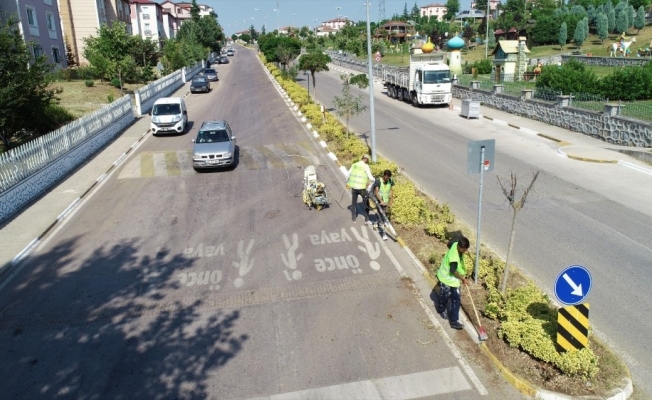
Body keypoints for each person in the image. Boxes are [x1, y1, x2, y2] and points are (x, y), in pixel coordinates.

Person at [435, 236, 471, 330]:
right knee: (446, 296)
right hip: (447, 278)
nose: (465, 251)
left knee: (455, 298)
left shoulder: (455, 243)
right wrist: (463, 279)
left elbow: (448, 243)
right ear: (459, 247)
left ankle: (453, 321)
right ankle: (442, 311)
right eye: (464, 250)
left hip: (453, 279)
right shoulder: (454, 257)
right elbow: (453, 271)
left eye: (466, 249)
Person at [365, 169, 395, 240]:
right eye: (387, 177)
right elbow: (376, 192)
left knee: (384, 216)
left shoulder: (390, 181)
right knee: (381, 218)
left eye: (389, 178)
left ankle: (376, 224)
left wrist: (391, 200)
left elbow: (391, 190)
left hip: (386, 202)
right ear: (384, 175)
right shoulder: (378, 181)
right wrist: (381, 201)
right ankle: (383, 234)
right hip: (379, 202)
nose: (387, 179)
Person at [346, 154, 374, 223]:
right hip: (362, 189)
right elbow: (370, 177)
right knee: (366, 203)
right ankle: (366, 219)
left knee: (354, 203)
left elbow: (348, 174)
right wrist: (375, 180)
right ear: (366, 159)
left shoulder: (354, 165)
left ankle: (354, 219)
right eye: (368, 160)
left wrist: (347, 183)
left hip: (354, 188)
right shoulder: (366, 166)